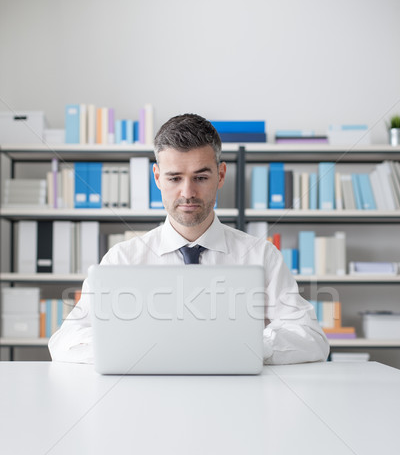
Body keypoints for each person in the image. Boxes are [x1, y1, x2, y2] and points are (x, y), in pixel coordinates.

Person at [49, 113, 329, 365]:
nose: (188, 192)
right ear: (157, 178)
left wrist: (251, 346)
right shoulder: (123, 259)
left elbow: (312, 339)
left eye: (201, 177)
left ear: (220, 175)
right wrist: (130, 348)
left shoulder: (260, 256)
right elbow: (64, 342)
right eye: (174, 178)